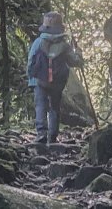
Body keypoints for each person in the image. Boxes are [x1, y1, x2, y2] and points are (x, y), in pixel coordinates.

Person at [26, 11, 83, 144]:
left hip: (40, 80)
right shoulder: (65, 45)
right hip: (58, 82)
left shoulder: (38, 42)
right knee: (55, 106)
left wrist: (31, 78)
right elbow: (75, 62)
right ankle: (53, 135)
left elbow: (31, 61)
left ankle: (41, 133)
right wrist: (78, 51)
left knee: (40, 105)